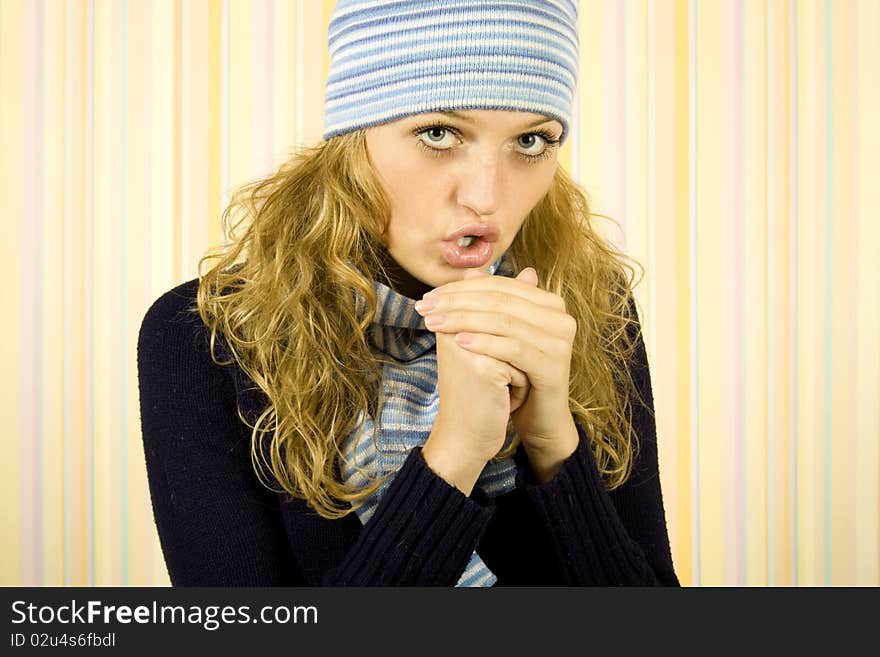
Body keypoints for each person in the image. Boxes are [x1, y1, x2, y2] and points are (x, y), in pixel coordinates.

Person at [137, 0, 679, 587]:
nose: (486, 197)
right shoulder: (210, 333)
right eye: (439, 133)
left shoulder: (588, 304)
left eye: (530, 141)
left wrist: (550, 438)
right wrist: (457, 450)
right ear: (354, 140)